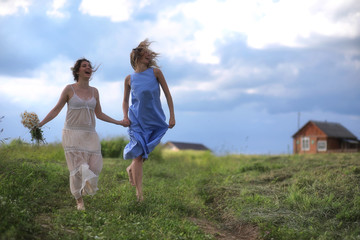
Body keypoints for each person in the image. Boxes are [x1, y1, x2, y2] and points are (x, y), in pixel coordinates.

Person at [38, 58, 128, 210]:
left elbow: (99, 114)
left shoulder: (95, 91)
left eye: (89, 66)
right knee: (78, 168)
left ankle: (83, 189)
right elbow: (56, 109)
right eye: (84, 66)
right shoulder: (69, 89)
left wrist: (119, 122)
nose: (88, 68)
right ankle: (79, 201)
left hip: (90, 134)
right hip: (72, 133)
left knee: (94, 167)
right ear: (77, 71)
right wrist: (39, 124)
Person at [122, 39, 175, 202]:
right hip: (136, 121)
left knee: (142, 155)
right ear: (136, 57)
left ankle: (131, 169)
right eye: (145, 54)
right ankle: (140, 195)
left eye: (149, 55)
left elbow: (167, 94)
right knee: (138, 156)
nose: (149, 57)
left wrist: (172, 115)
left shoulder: (155, 73)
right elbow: (125, 100)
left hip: (155, 121)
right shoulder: (129, 79)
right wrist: (125, 116)